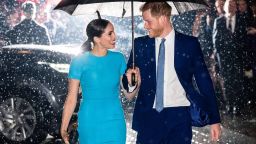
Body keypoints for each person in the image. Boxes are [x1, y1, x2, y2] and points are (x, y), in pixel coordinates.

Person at [123, 2, 221, 143]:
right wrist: (132, 82)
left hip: (179, 117)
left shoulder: (189, 44)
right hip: (148, 117)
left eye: (148, 21)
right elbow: (128, 84)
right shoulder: (140, 44)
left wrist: (214, 119)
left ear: (163, 18)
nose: (145, 25)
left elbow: (204, 82)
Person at [60, 18, 140, 144]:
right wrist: (63, 128)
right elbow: (71, 98)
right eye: (110, 33)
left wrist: (134, 83)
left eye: (114, 32)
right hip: (90, 121)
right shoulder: (79, 61)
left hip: (115, 121)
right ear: (97, 39)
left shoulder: (118, 59)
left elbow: (129, 95)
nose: (115, 36)